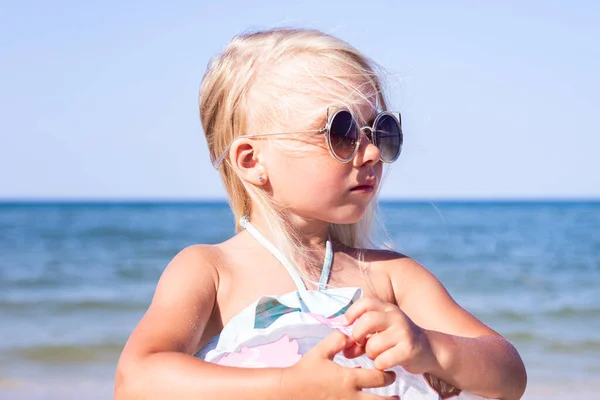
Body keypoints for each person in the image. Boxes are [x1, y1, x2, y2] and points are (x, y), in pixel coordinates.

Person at [115, 28, 527, 400]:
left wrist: (432, 348)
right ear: (252, 160)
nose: (370, 153)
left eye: (380, 131)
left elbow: (509, 375)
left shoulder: (391, 278)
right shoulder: (213, 271)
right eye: (341, 132)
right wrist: (287, 386)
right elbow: (136, 381)